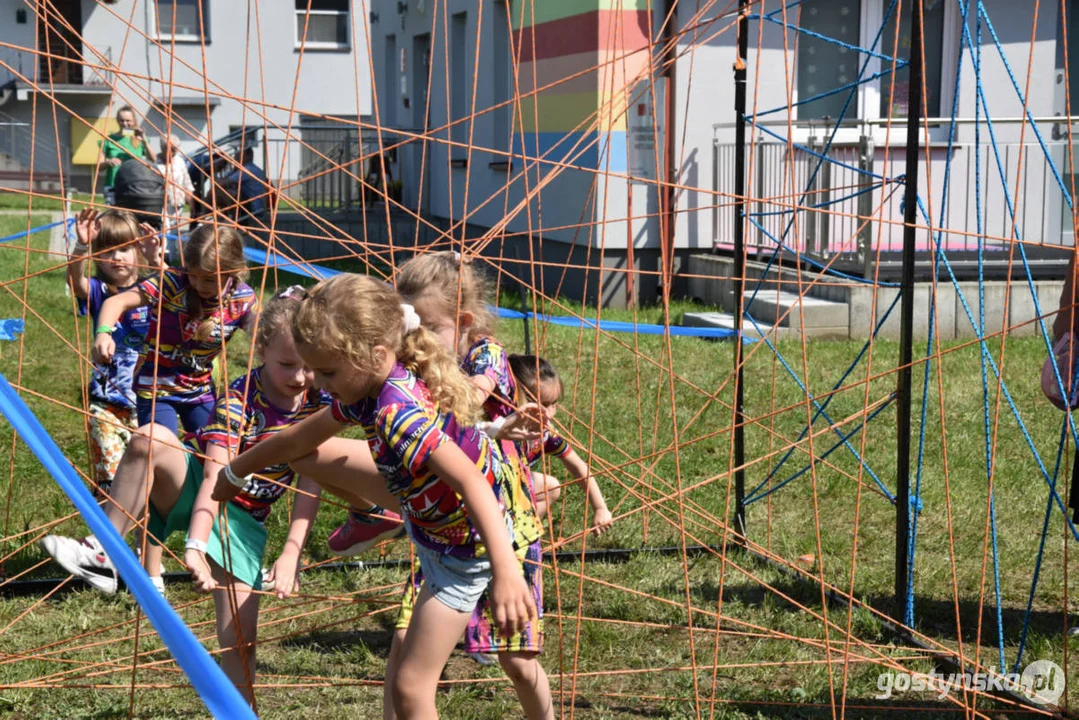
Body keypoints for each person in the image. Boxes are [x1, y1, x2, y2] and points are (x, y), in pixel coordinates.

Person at [209, 274, 552, 719]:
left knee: (410, 688)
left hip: (465, 551)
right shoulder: (366, 385)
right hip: (430, 523)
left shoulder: (396, 413)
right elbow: (295, 440)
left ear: (372, 354)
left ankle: (379, 514)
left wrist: (506, 571)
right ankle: (372, 515)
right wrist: (236, 469)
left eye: (326, 372)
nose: (315, 381)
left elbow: (472, 483)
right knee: (309, 453)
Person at [41, 290, 324, 706]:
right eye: (286, 364)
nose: (299, 377)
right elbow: (214, 474)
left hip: (242, 526)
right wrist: (195, 542)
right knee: (150, 437)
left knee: (240, 646)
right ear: (261, 349)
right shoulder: (237, 399)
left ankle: (240, 713)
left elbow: (311, 481)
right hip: (201, 490)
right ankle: (104, 550)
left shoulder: (320, 403)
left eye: (309, 366)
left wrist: (291, 554)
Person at [91, 223, 258, 436]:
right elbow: (116, 302)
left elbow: (264, 336)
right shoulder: (173, 283)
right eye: (193, 275)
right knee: (160, 447)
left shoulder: (242, 299)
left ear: (233, 271)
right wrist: (104, 332)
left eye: (209, 279)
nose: (199, 285)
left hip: (199, 390)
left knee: (212, 448)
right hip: (156, 388)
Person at [67, 209, 164, 499]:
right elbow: (76, 281)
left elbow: (178, 291)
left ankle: (139, 538)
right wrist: (81, 245)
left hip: (148, 402)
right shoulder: (99, 291)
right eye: (108, 250)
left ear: (138, 250)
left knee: (145, 479)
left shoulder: (154, 289)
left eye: (125, 248)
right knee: (110, 477)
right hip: (104, 403)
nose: (117, 257)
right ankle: (106, 533)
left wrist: (157, 259)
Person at [507, 354, 613, 531]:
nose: (547, 414)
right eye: (540, 404)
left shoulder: (544, 434)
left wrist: (600, 508)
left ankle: (521, 533)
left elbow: (578, 466)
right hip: (488, 492)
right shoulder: (502, 430)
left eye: (553, 404)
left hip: (515, 487)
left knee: (551, 487)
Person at [97, 106, 156, 207]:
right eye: (121, 120)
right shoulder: (108, 140)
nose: (125, 124)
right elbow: (99, 167)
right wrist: (108, 162)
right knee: (114, 218)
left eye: (128, 121)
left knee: (132, 217)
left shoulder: (139, 139)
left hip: (134, 185)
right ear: (117, 120)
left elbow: (153, 159)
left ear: (134, 121)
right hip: (113, 186)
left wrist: (145, 140)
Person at [157, 134, 195, 250]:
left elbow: (187, 184)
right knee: (163, 231)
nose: (170, 152)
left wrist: (192, 206)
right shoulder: (155, 161)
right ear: (161, 147)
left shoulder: (180, 162)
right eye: (167, 149)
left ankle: (172, 260)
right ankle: (162, 257)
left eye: (174, 150)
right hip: (160, 205)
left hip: (177, 205)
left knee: (173, 233)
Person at [222, 147, 269, 227]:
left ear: (248, 156)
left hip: (254, 208)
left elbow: (222, 183)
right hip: (254, 205)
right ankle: (221, 216)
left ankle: (207, 214)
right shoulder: (248, 168)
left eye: (238, 155)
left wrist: (234, 168)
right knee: (226, 191)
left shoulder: (248, 170)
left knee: (221, 192)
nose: (236, 158)